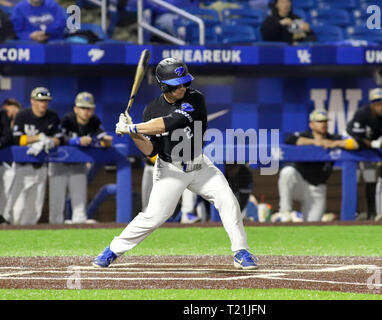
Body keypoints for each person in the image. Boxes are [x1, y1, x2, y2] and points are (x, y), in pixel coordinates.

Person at [93, 57, 258, 270]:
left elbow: (171, 122)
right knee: (154, 216)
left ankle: (241, 251)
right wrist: (133, 132)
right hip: (170, 169)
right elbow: (151, 150)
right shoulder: (151, 111)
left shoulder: (195, 99)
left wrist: (134, 128)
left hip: (200, 165)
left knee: (227, 199)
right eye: (176, 84)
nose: (182, 87)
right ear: (163, 86)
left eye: (185, 83)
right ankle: (112, 251)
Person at [271, 109, 359, 222]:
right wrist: (313, 142)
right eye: (319, 121)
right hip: (300, 183)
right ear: (311, 125)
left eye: (325, 121)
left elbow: (355, 143)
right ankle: (285, 212)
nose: (323, 124)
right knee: (287, 172)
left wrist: (335, 143)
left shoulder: (333, 138)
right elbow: (290, 139)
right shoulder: (305, 135)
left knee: (313, 224)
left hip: (318, 189)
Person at [48, 92, 113, 224]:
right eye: (82, 108)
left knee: (79, 206)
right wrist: (77, 141)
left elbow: (103, 137)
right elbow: (58, 138)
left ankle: (78, 235)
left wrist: (106, 141)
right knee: (56, 206)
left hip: (78, 166)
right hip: (59, 165)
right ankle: (53, 234)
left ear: (93, 109)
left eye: (88, 108)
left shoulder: (94, 121)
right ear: (75, 109)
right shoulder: (67, 120)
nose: (86, 112)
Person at [4, 87, 62, 225]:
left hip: (41, 166)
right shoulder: (23, 115)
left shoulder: (52, 116)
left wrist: (49, 142)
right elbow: (17, 139)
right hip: (21, 168)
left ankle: (26, 242)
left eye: (46, 101)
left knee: (34, 209)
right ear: (32, 101)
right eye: (40, 100)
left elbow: (59, 138)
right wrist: (39, 138)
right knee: (16, 208)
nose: (43, 103)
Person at [345, 88, 382, 220]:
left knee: (370, 178)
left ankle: (372, 212)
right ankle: (353, 212)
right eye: (378, 104)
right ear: (372, 104)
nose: (381, 107)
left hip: (371, 145)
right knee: (354, 178)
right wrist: (378, 145)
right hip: (354, 141)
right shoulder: (362, 113)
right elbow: (358, 138)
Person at [0, 98, 21, 224]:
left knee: (9, 179)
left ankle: (4, 216)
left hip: (5, 163)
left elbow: (8, 138)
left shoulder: (4, 117)